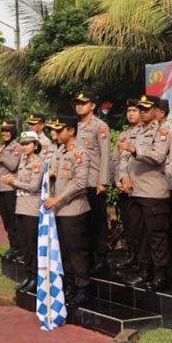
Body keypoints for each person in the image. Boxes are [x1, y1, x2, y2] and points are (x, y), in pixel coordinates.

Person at [120, 95, 172, 291]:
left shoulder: (163, 130)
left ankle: (160, 274)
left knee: (156, 235)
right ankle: (144, 271)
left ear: (155, 110)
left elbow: (158, 156)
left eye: (146, 108)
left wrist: (135, 150)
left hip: (153, 192)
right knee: (140, 233)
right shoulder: (136, 132)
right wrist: (123, 176)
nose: (142, 111)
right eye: (140, 108)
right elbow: (124, 157)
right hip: (135, 190)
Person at [43, 115, 92, 308]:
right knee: (64, 251)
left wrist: (59, 198)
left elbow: (80, 183)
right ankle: (70, 285)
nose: (56, 133)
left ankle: (83, 288)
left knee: (76, 251)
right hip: (60, 211)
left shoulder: (80, 153)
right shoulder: (61, 151)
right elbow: (55, 173)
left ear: (71, 131)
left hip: (73, 209)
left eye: (60, 129)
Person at [73, 90, 111, 275]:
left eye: (83, 103)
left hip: (93, 180)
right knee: (82, 223)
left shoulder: (100, 126)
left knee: (97, 221)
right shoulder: (74, 126)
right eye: (77, 103)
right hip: (77, 182)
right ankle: (87, 258)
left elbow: (105, 155)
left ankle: (101, 258)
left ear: (93, 105)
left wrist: (103, 181)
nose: (79, 106)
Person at [2, 131, 44, 293]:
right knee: (24, 245)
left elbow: (34, 186)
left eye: (28, 144)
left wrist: (15, 182)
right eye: (23, 144)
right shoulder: (23, 162)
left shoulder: (38, 163)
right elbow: (20, 184)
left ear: (36, 145)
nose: (25, 147)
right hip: (20, 206)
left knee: (32, 245)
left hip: (31, 208)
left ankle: (36, 277)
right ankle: (28, 275)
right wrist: (12, 183)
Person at [113, 99, 141, 270]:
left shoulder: (147, 133)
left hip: (138, 187)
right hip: (123, 188)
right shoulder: (124, 135)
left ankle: (141, 259)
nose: (131, 113)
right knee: (128, 224)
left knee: (140, 227)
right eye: (129, 110)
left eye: (134, 110)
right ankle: (131, 255)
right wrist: (117, 180)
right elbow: (117, 161)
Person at [156, 98, 172, 278]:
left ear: (161, 112)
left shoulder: (171, 132)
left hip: (169, 185)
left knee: (171, 225)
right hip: (158, 186)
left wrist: (171, 186)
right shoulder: (155, 131)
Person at [0, 119, 22, 261]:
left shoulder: (16, 148)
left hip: (10, 189)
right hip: (1, 189)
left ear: (13, 132)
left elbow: (13, 165)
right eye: (3, 131)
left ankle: (18, 247)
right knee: (6, 219)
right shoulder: (1, 147)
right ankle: (12, 245)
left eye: (8, 131)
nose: (5, 133)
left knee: (14, 220)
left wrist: (0, 156)